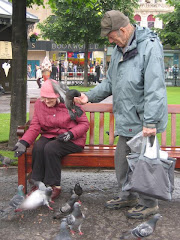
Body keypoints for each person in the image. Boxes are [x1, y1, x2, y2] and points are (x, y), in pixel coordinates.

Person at [74, 10, 168, 219]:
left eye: (111, 35)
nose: (109, 40)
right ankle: (128, 196)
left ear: (123, 30)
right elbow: (110, 82)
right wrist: (88, 96)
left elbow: (155, 88)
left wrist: (151, 121)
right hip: (127, 118)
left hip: (144, 120)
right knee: (122, 161)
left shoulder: (150, 47)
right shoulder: (119, 48)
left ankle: (149, 203)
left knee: (145, 164)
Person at [13, 79, 89, 201]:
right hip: (50, 136)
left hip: (72, 140)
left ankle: (54, 186)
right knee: (38, 146)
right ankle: (38, 184)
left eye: (50, 98)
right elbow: (35, 126)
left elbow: (84, 124)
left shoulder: (71, 103)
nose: (47, 101)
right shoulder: (39, 104)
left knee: (51, 148)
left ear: (58, 96)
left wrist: (71, 133)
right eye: (44, 98)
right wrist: (24, 142)